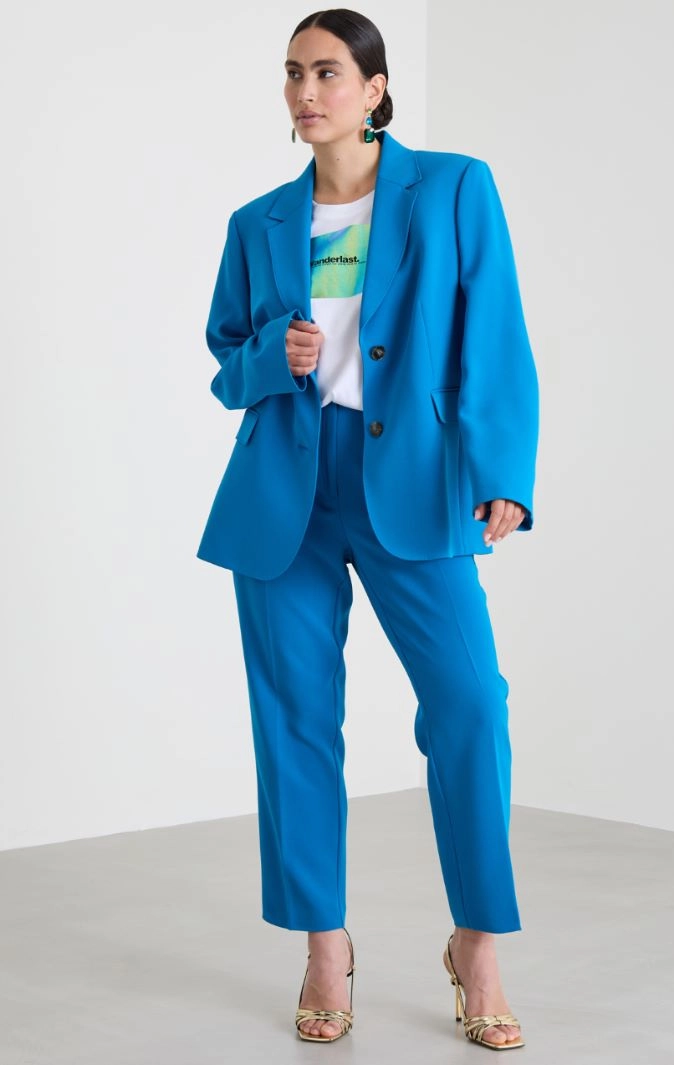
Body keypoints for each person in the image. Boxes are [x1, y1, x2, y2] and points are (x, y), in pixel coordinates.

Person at [196, 6, 539, 1050]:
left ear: (375, 89)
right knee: (296, 721)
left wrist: (502, 473)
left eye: (329, 72)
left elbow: (494, 333)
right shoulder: (258, 221)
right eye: (293, 73)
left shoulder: (453, 189)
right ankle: (323, 946)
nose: (307, 92)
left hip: (415, 482)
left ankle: (477, 944)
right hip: (284, 496)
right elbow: (226, 365)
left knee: (469, 704)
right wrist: (272, 357)